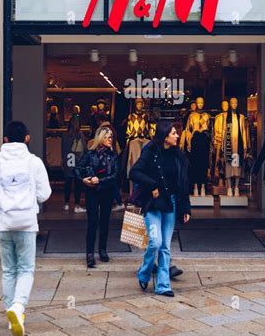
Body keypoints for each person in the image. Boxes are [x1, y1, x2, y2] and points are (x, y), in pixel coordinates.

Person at [0, 120, 51, 336]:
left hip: (4, 223)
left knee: (9, 270)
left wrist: (1, 197)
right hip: (27, 223)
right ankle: (18, 308)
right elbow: (44, 194)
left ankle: (12, 313)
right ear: (27, 138)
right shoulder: (34, 162)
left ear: (5, 139)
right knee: (26, 269)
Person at [130, 120, 191, 297]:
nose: (177, 136)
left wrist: (185, 208)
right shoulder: (150, 151)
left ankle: (163, 285)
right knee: (155, 242)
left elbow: (183, 184)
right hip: (154, 204)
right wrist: (152, 185)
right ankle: (144, 272)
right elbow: (134, 172)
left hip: (171, 203)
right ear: (165, 135)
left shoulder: (178, 156)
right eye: (174, 133)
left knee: (165, 246)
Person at [75, 125, 118, 268]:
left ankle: (102, 250)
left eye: (111, 136)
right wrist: (84, 180)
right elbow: (77, 169)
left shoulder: (113, 155)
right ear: (100, 138)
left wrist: (100, 180)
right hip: (92, 192)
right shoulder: (90, 154)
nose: (109, 139)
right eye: (106, 137)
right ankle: (89, 254)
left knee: (104, 221)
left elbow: (115, 175)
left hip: (106, 191)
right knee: (92, 222)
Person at [61, 118, 86, 213]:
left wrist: (62, 160)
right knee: (77, 185)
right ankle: (77, 205)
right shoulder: (79, 135)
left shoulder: (64, 135)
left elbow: (62, 149)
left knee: (67, 184)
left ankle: (66, 204)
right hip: (77, 162)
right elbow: (84, 148)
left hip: (67, 161)